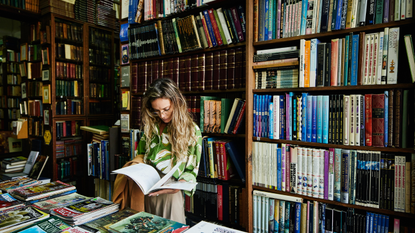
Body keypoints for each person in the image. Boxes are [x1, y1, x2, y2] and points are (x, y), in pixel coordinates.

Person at [113, 78, 202, 224]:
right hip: (145, 189)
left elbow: (191, 171)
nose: (162, 115)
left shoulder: (192, 131)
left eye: (166, 109)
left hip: (169, 192)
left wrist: (177, 186)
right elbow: (141, 154)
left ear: (177, 102)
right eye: (157, 111)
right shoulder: (151, 125)